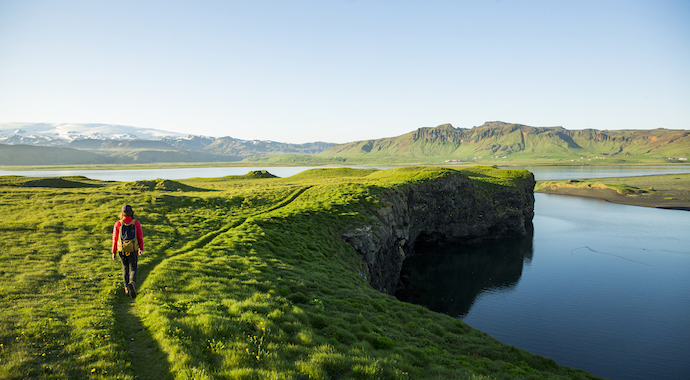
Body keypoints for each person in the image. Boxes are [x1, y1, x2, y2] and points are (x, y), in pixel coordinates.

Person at [111, 204, 144, 298]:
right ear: (132, 212)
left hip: (122, 249)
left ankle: (126, 289)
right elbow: (140, 237)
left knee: (125, 268)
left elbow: (114, 238)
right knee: (133, 268)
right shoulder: (136, 223)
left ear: (122, 213)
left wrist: (113, 252)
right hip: (133, 249)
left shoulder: (118, 223)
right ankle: (132, 283)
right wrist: (140, 248)